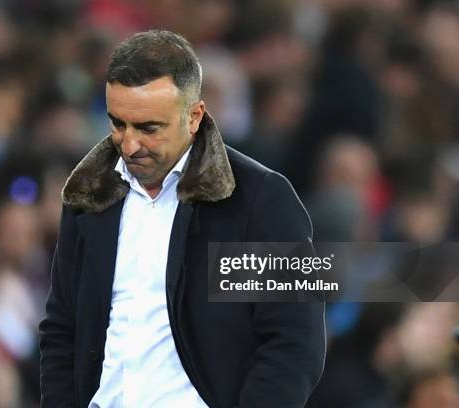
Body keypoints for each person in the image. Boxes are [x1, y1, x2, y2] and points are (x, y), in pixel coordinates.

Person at [39, 29, 326, 408]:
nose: (129, 144)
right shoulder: (89, 194)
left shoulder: (259, 199)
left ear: (194, 116)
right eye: (117, 123)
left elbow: (294, 341)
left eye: (148, 128)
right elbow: (62, 327)